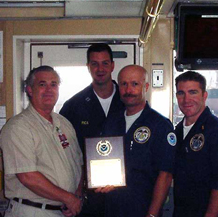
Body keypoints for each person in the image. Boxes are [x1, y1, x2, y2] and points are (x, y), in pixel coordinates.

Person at [0, 65, 83, 217]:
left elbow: (77, 165)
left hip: (63, 210)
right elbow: (28, 176)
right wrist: (68, 198)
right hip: (32, 211)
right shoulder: (18, 127)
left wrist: (76, 197)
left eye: (54, 84)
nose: (49, 90)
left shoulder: (64, 123)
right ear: (30, 90)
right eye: (42, 84)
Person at [98, 65, 176, 217]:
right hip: (111, 207)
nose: (128, 90)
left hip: (143, 207)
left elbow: (165, 175)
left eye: (135, 84)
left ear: (145, 87)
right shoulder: (111, 122)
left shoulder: (160, 125)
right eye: (124, 84)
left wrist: (152, 215)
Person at [59, 43, 124, 217]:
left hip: (126, 194)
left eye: (105, 63)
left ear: (112, 65)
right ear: (88, 67)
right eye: (94, 63)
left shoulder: (129, 101)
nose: (100, 68)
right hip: (88, 197)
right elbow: (66, 152)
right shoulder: (73, 106)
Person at [173, 71, 218, 217]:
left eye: (193, 92)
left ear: (204, 95)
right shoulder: (177, 132)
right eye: (181, 93)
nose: (186, 99)